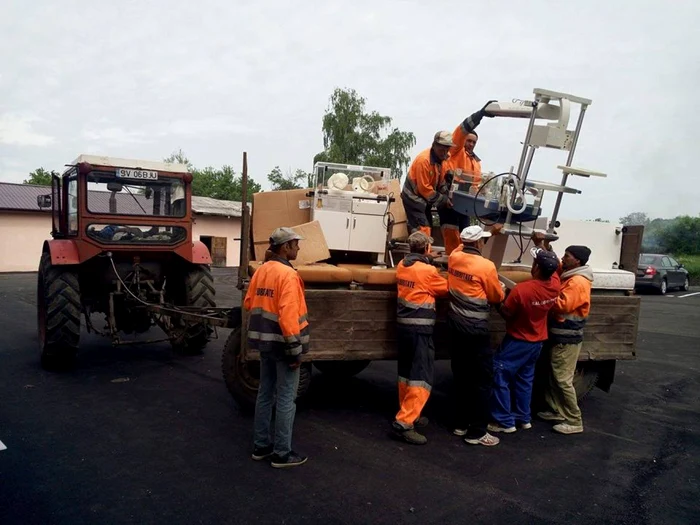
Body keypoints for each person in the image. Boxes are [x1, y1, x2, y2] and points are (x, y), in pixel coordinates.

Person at [245, 227, 310, 468]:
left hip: (264, 343)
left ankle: (261, 446)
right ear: (285, 247)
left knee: (264, 393)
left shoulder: (261, 271)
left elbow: (249, 302)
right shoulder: (289, 275)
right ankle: (282, 453)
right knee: (285, 399)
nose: (298, 248)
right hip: (284, 345)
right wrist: (295, 351)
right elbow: (288, 316)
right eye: (295, 245)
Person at [488, 247, 560, 434]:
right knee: (524, 379)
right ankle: (523, 417)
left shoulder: (522, 290)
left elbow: (507, 313)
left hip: (518, 340)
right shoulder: (555, 284)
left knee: (499, 374)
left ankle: (504, 421)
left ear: (536, 267)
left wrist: (496, 298)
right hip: (537, 341)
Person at [447, 225, 505, 446]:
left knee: (461, 376)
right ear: (480, 243)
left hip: (456, 327)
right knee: (481, 380)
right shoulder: (486, 266)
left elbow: (465, 248)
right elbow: (495, 295)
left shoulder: (454, 257)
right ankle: (477, 432)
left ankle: (460, 425)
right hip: (476, 331)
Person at [392, 231, 449, 445]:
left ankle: (410, 413)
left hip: (404, 328)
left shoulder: (402, 265)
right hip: (420, 329)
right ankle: (404, 423)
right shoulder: (428, 270)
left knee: (406, 374)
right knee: (422, 377)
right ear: (425, 249)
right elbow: (446, 288)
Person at [537, 243, 594, 435]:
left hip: (567, 338)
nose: (563, 258)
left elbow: (562, 305)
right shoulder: (570, 274)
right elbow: (556, 266)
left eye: (567, 256)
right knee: (554, 375)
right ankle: (556, 411)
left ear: (577, 260)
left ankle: (574, 420)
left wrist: (543, 296)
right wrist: (543, 247)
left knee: (562, 379)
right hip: (561, 336)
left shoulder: (577, 282)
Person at [438, 101, 496, 256]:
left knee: (466, 235)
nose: (470, 144)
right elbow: (462, 129)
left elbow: (477, 185)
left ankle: (463, 260)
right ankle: (453, 260)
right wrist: (480, 114)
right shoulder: (456, 151)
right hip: (450, 199)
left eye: (473, 142)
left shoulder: (476, 163)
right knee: (451, 232)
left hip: (465, 204)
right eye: (468, 141)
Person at [400, 130, 455, 241]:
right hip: (413, 198)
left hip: (424, 200)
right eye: (441, 149)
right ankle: (422, 255)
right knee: (423, 228)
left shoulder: (442, 160)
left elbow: (440, 184)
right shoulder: (423, 161)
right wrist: (444, 200)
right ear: (434, 145)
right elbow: (425, 189)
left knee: (427, 226)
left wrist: (448, 194)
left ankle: (424, 252)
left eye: (447, 149)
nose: (444, 152)